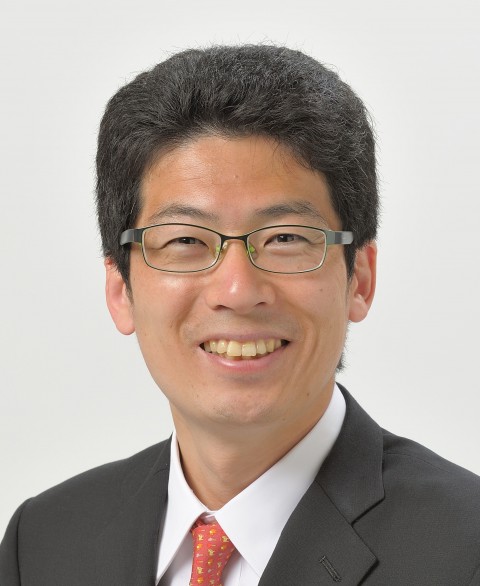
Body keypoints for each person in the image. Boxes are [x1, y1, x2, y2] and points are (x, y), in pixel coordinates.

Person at [1, 44, 479, 586]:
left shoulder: (467, 550)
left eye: (285, 238)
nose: (237, 290)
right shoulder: (41, 544)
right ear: (120, 289)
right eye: (185, 240)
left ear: (360, 279)